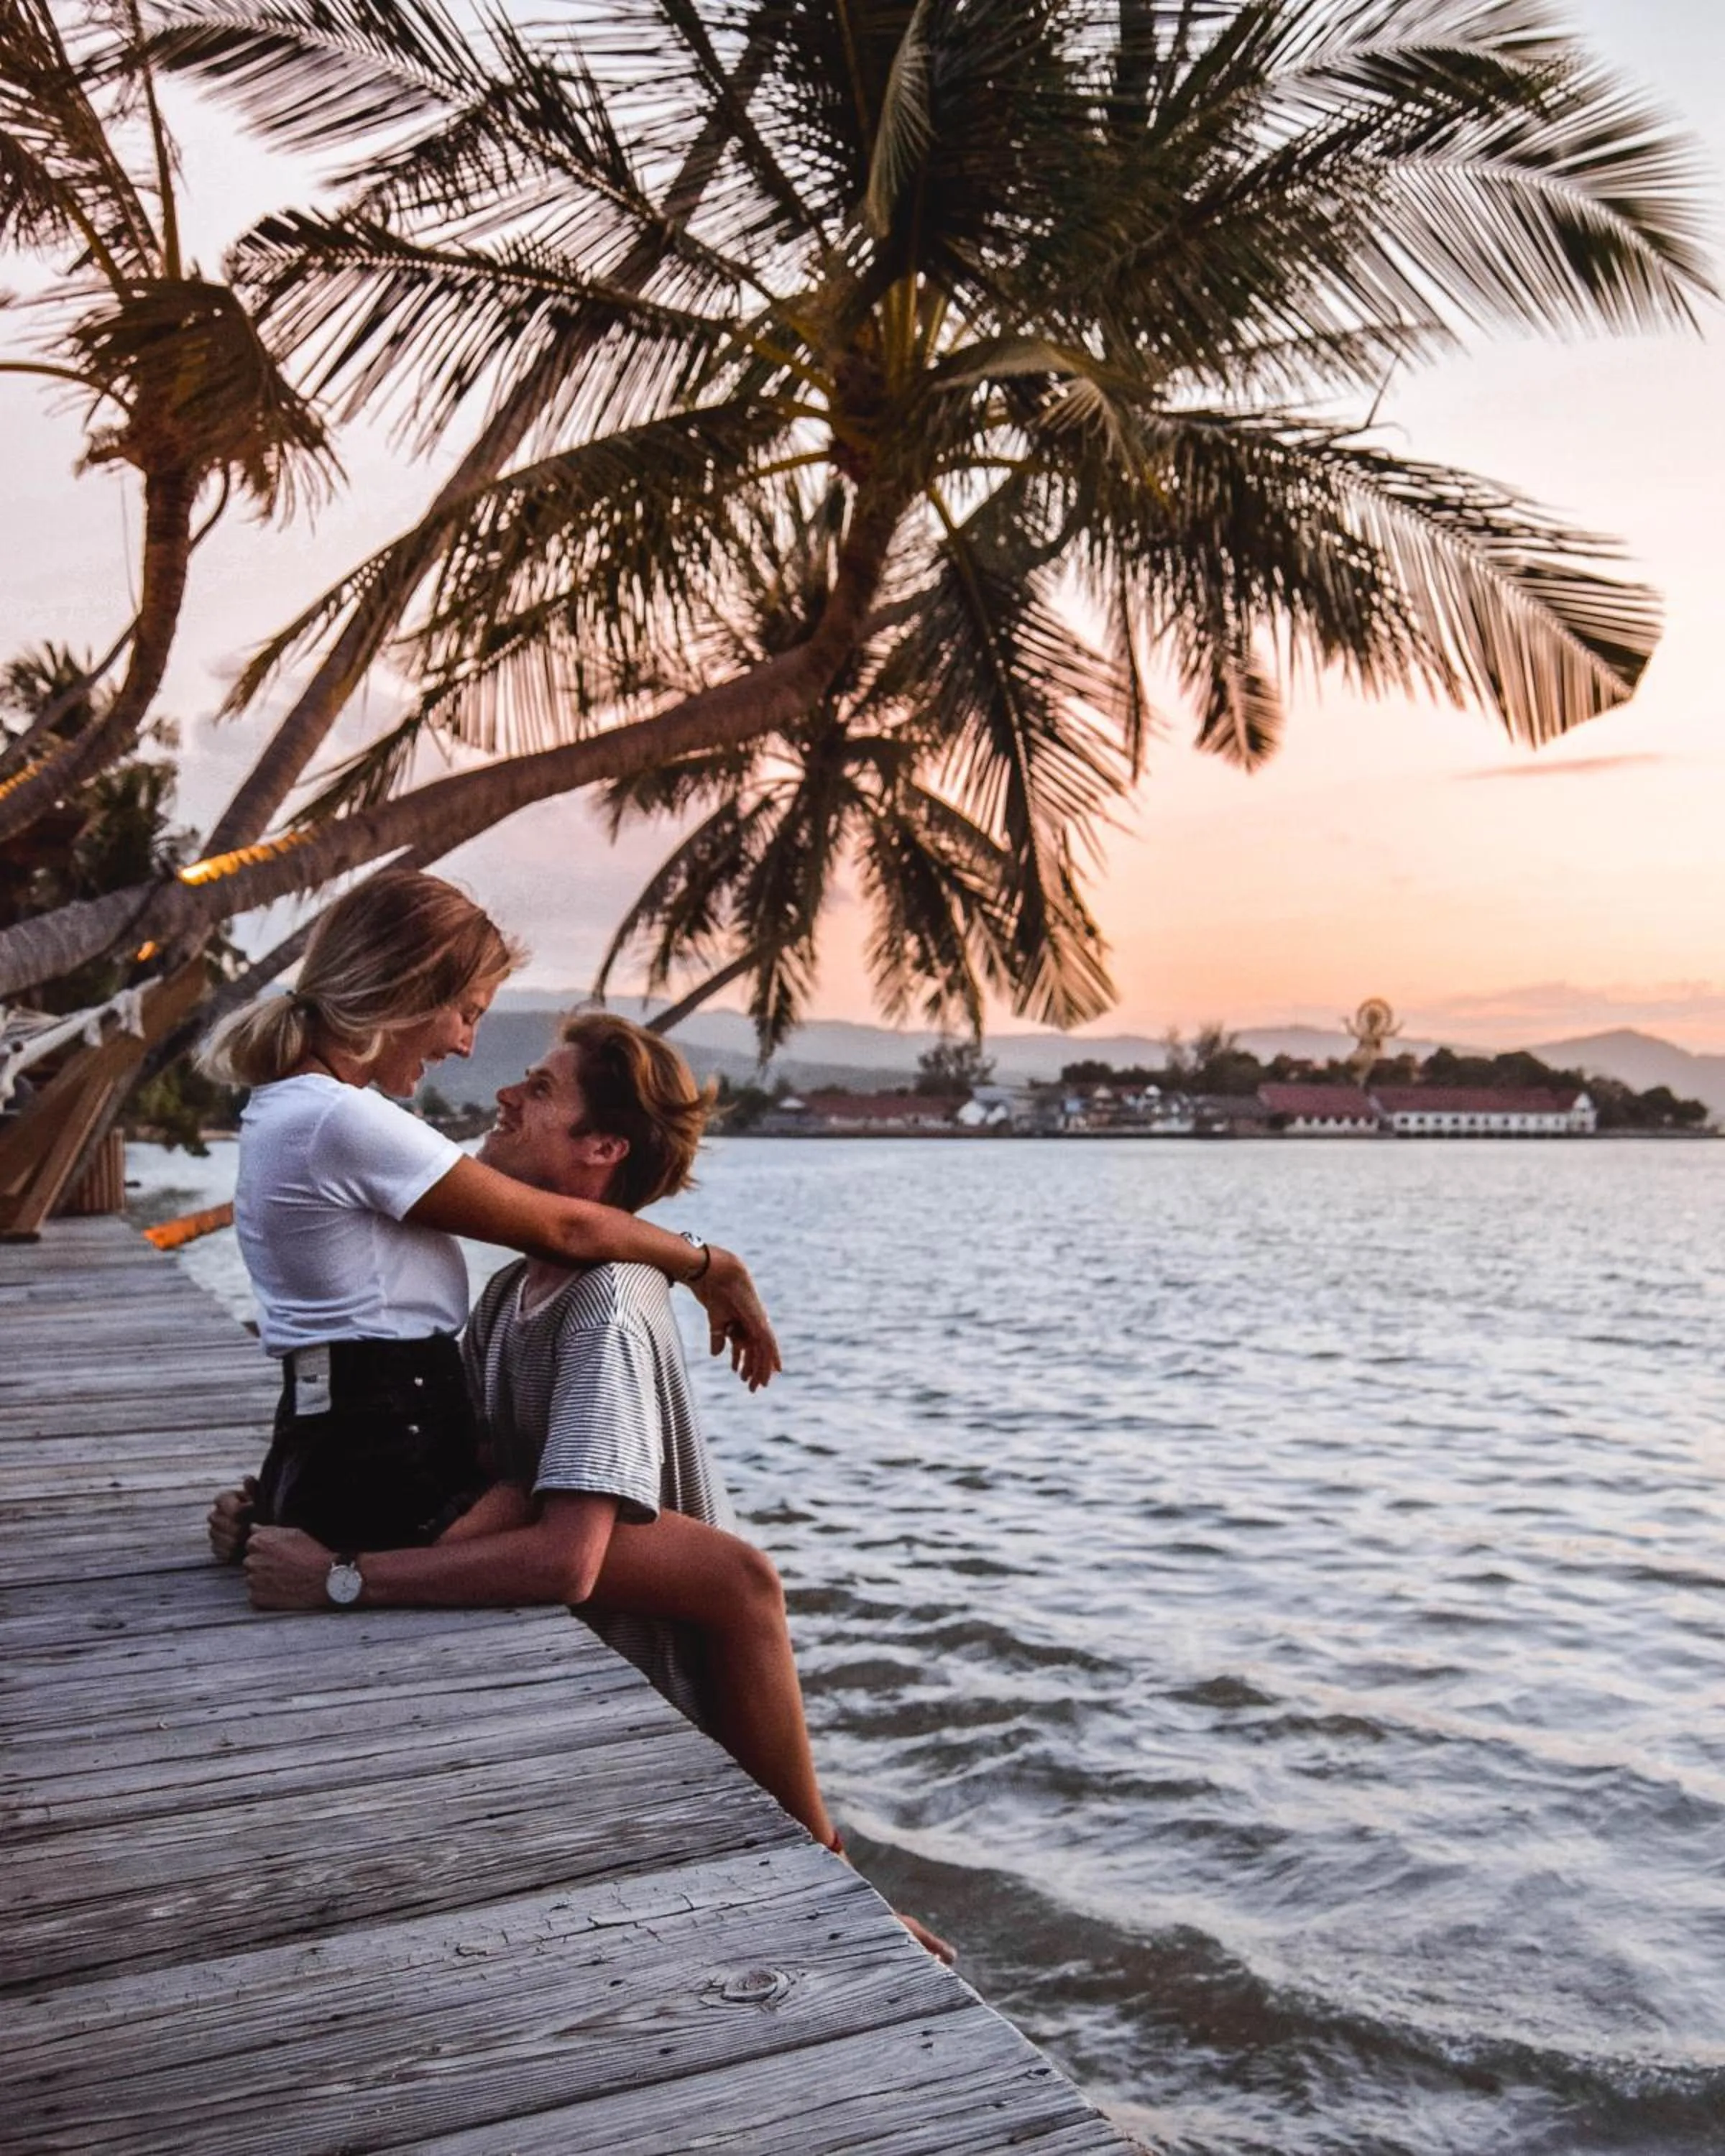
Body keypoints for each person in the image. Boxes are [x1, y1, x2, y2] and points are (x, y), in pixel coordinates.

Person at [222, 1009, 954, 1962]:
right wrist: (287, 1507)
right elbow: (462, 1495)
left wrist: (338, 1578)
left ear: (602, 1146)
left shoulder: (604, 1301)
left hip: (674, 1725)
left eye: (539, 1089)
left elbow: (568, 1558)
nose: (505, 1096)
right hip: (594, 1703)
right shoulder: (506, 1295)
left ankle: (843, 1891)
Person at [200, 870, 776, 1557]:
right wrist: (710, 1266)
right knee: (709, 1565)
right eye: (468, 1013)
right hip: (387, 1457)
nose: (467, 1045)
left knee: (688, 1555)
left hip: (340, 1437)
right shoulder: (340, 1119)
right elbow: (563, 1226)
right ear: (410, 990)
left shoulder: (295, 1110)